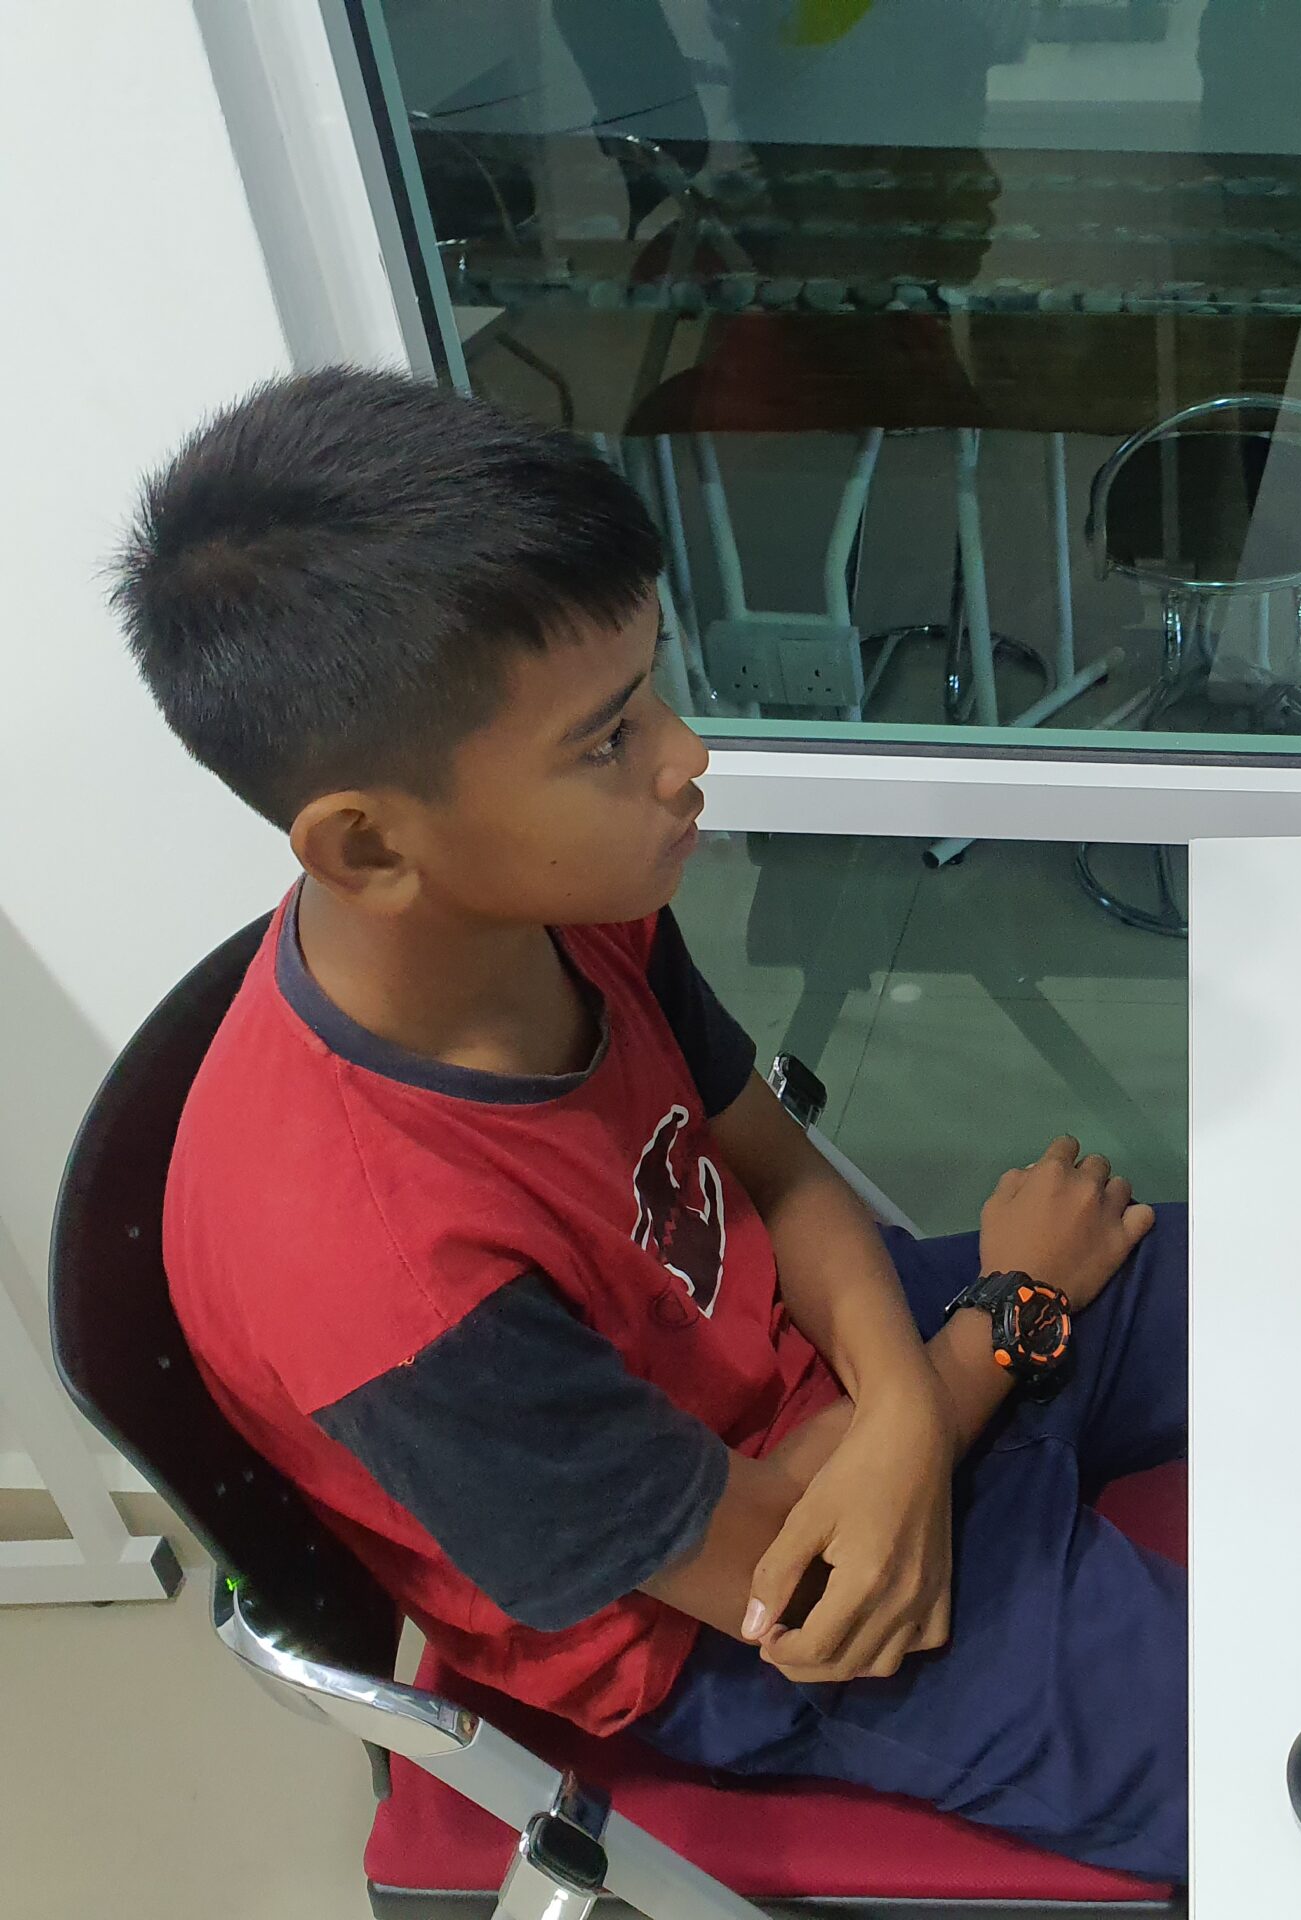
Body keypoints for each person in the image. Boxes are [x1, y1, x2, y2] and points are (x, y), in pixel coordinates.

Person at [109, 369, 1187, 1881]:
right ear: (367, 846)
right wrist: (1009, 1321)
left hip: (855, 1383)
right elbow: (791, 1582)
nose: (686, 758)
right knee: (1281, 1757)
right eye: (609, 738)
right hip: (750, 1626)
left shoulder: (554, 908)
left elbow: (780, 1173)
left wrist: (909, 1394)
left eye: (652, 687)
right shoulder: (383, 1282)